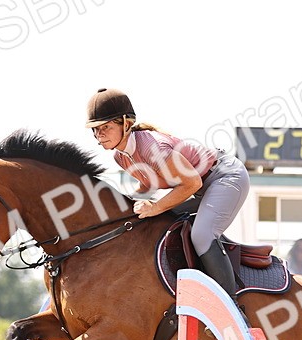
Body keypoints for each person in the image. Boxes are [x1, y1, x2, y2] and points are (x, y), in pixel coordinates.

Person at [85, 87, 249, 301]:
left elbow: (191, 183)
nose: (99, 135)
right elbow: (147, 185)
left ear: (126, 124)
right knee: (152, 222)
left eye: (105, 127)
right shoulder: (120, 157)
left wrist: (154, 207)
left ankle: (230, 304)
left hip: (225, 177)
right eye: (95, 129)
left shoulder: (152, 147)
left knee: (201, 235)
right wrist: (122, 205)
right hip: (202, 187)